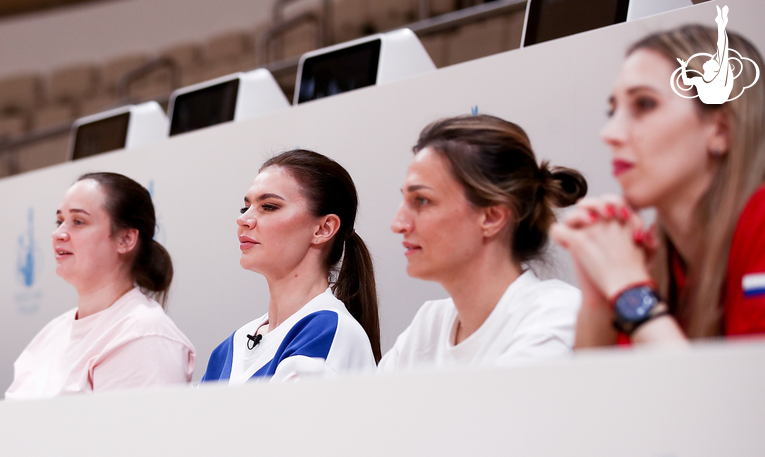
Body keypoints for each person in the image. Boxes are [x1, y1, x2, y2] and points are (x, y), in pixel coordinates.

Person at [550, 24, 765, 346]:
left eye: (645, 104)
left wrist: (630, 289)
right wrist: (599, 297)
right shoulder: (657, 253)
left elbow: (735, 396)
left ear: (720, 129)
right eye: (613, 110)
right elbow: (598, 393)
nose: (609, 133)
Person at [379, 115, 587, 371]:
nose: (398, 224)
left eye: (421, 200)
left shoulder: (554, 315)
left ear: (492, 217)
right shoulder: (428, 325)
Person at [6, 173, 196, 399]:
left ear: (125, 239)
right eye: (59, 221)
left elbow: (137, 433)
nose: (58, 234)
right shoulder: (50, 335)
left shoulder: (144, 335)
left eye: (78, 221)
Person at [201, 149, 380, 383]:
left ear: (323, 229)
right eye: (245, 208)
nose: (243, 219)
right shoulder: (226, 351)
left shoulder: (328, 331)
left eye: (269, 206)